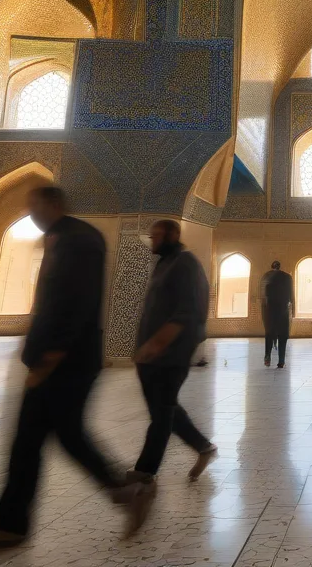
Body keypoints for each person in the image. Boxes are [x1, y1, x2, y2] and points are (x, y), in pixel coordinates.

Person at [0, 187, 145, 552]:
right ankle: (15, 523)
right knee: (51, 439)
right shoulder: (64, 237)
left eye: (36, 206)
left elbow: (75, 302)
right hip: (63, 359)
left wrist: (49, 357)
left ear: (55, 203)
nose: (32, 213)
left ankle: (14, 524)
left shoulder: (78, 240)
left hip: (66, 361)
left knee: (43, 440)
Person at [130, 219, 216, 511]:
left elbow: (188, 311)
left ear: (172, 235)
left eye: (156, 236)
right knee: (164, 408)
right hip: (153, 355)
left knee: (162, 413)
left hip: (172, 354)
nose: (152, 241)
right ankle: (204, 447)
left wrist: (158, 343)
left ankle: (145, 472)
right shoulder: (165, 263)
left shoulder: (186, 263)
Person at [261, 260, 293, 368]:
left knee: (269, 335)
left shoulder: (267, 279)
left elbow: (263, 300)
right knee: (283, 336)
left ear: (272, 267)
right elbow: (291, 297)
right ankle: (281, 361)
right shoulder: (287, 278)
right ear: (280, 267)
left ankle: (267, 357)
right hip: (283, 311)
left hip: (270, 313)